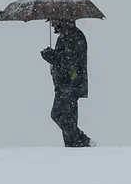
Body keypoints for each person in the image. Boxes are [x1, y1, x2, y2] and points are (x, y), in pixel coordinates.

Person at [40, 18, 94, 147]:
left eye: (53, 20)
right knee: (68, 119)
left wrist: (53, 57)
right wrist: (53, 57)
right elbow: (65, 59)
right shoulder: (65, 36)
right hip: (65, 85)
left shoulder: (73, 35)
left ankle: (83, 141)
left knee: (58, 114)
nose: (52, 24)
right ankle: (75, 147)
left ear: (62, 19)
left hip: (71, 84)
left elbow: (71, 61)